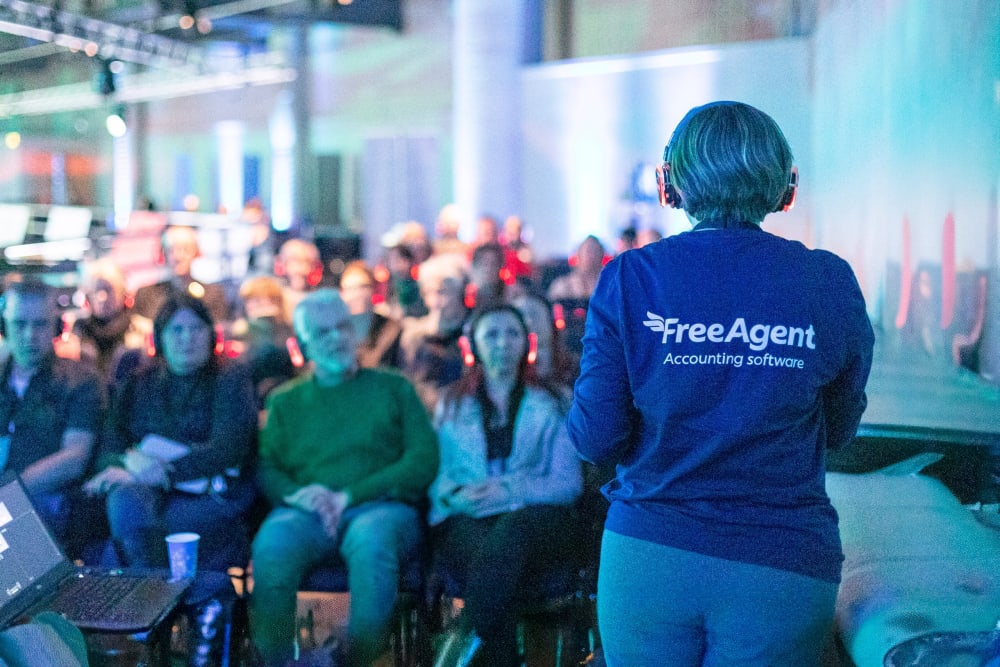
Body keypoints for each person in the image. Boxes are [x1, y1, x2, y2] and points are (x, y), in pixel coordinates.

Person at [567, 101, 875, 666]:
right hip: (783, 560)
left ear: (672, 184)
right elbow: (839, 431)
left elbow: (595, 439)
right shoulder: (828, 281)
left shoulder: (631, 277)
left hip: (649, 555)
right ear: (785, 187)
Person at [249, 289, 438, 667]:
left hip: (381, 506)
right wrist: (300, 495)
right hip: (308, 508)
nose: (335, 338)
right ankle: (278, 662)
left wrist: (348, 496)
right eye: (322, 333)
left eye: (341, 327)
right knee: (272, 545)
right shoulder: (285, 401)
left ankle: (351, 661)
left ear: (355, 332)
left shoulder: (394, 387)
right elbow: (267, 467)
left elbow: (423, 460)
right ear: (302, 345)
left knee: (372, 542)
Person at [429, 304, 582, 667]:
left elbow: (568, 483)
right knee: (492, 559)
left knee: (511, 532)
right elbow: (438, 474)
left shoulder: (555, 400)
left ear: (526, 342)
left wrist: (512, 491)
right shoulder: (451, 403)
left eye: (512, 333)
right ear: (475, 345)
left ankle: (460, 642)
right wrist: (457, 496)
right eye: (492, 334)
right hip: (471, 513)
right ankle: (475, 652)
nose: (502, 343)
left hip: (538, 518)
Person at [84, 293, 258, 571]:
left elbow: (227, 448)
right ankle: (148, 595)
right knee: (123, 501)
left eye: (196, 328)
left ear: (210, 334)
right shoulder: (138, 382)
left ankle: (155, 596)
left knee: (162, 526)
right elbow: (109, 447)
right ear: (160, 337)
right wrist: (130, 463)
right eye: (176, 329)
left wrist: (158, 471)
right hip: (145, 485)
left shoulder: (230, 377)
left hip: (211, 488)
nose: (187, 338)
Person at [0, 279, 104, 545]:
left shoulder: (81, 380)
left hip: (49, 502)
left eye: (40, 324)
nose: (28, 335)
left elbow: (74, 458)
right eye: (19, 324)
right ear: (4, 326)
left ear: (57, 327)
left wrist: (8, 494)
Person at [398, 253, 470, 413]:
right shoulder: (413, 334)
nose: (435, 301)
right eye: (429, 292)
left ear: (459, 292)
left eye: (443, 292)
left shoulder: (472, 332)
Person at [132, 225, 231, 325]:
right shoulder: (146, 295)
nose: (178, 256)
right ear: (163, 253)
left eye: (186, 249)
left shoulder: (213, 295)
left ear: (196, 252)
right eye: (172, 250)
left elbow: (216, 332)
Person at [338, 260, 402, 369]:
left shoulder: (390, 328)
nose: (357, 293)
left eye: (363, 287)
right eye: (350, 288)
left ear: (373, 289)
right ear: (342, 293)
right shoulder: (333, 330)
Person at [274, 238, 324, 322]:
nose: (301, 269)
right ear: (282, 263)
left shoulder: (321, 299)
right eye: (295, 261)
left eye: (307, 262)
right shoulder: (274, 296)